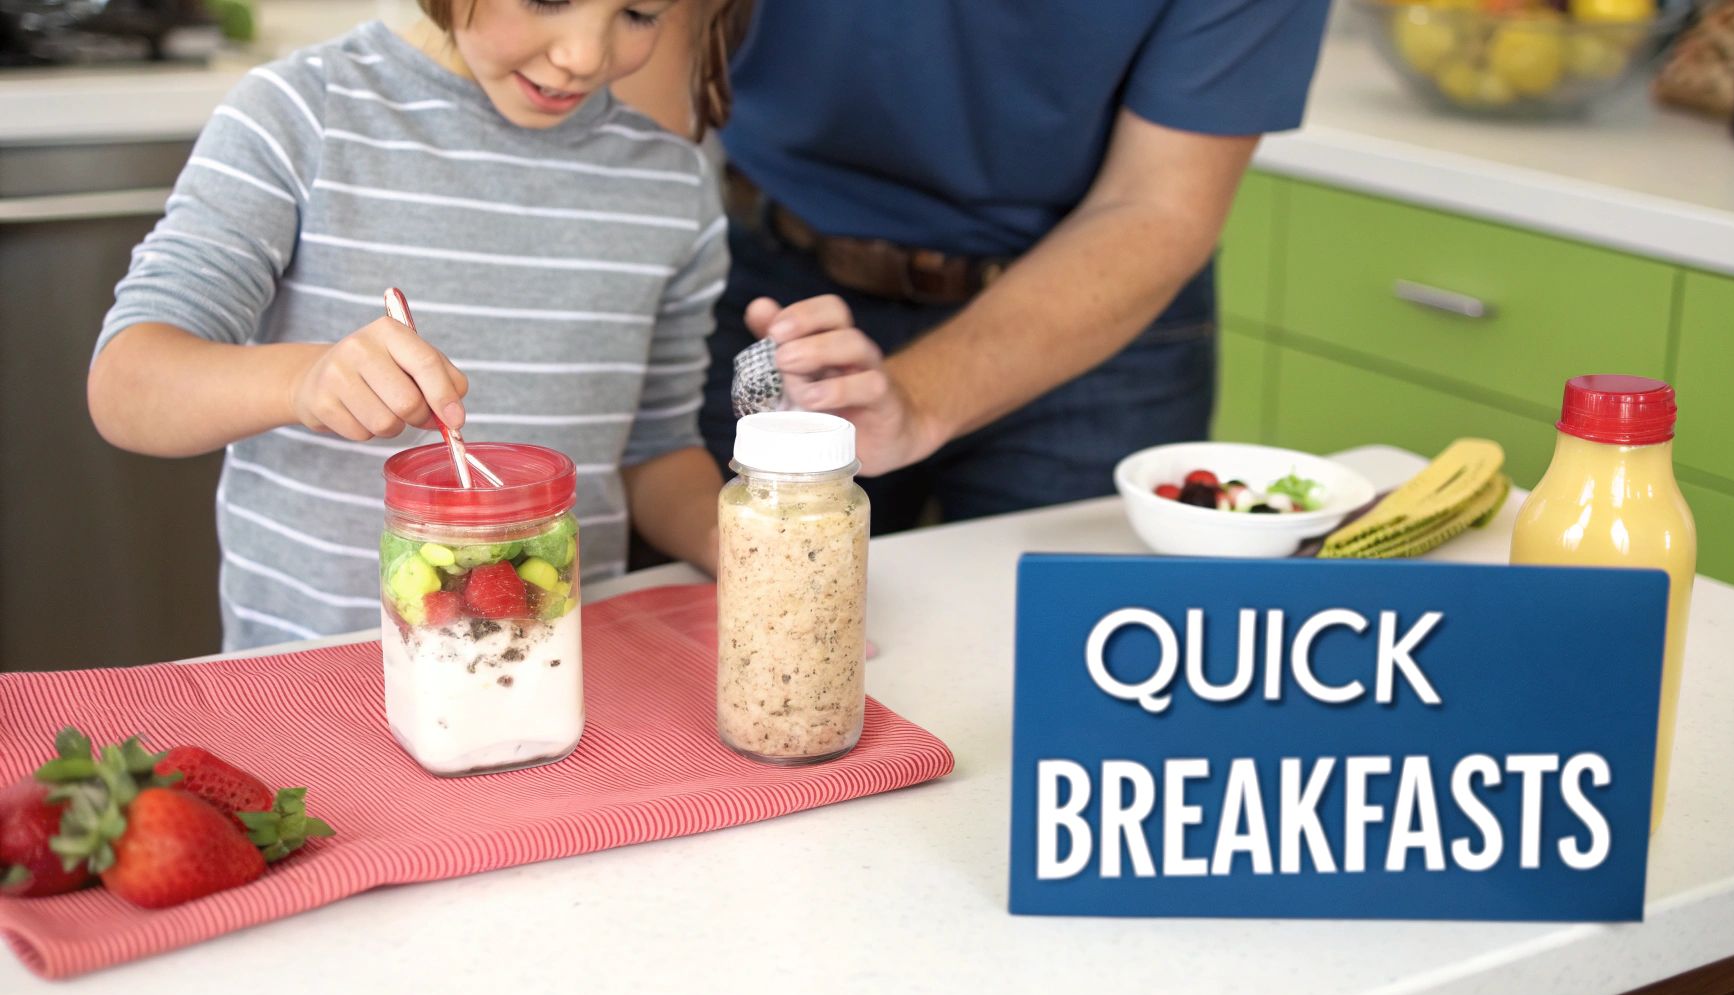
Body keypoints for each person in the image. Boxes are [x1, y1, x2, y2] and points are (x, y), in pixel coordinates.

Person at [87, 0, 740, 649]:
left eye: (639, 13)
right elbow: (126, 385)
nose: (584, 55)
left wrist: (733, 543)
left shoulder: (671, 185)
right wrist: (301, 381)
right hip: (308, 670)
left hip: (549, 658)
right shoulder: (303, 112)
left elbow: (657, 447)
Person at [618, 1, 1332, 534]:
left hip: (1088, 313)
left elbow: (1157, 202)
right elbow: (648, 56)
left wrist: (918, 399)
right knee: (718, 634)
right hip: (771, 274)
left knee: (1066, 655)